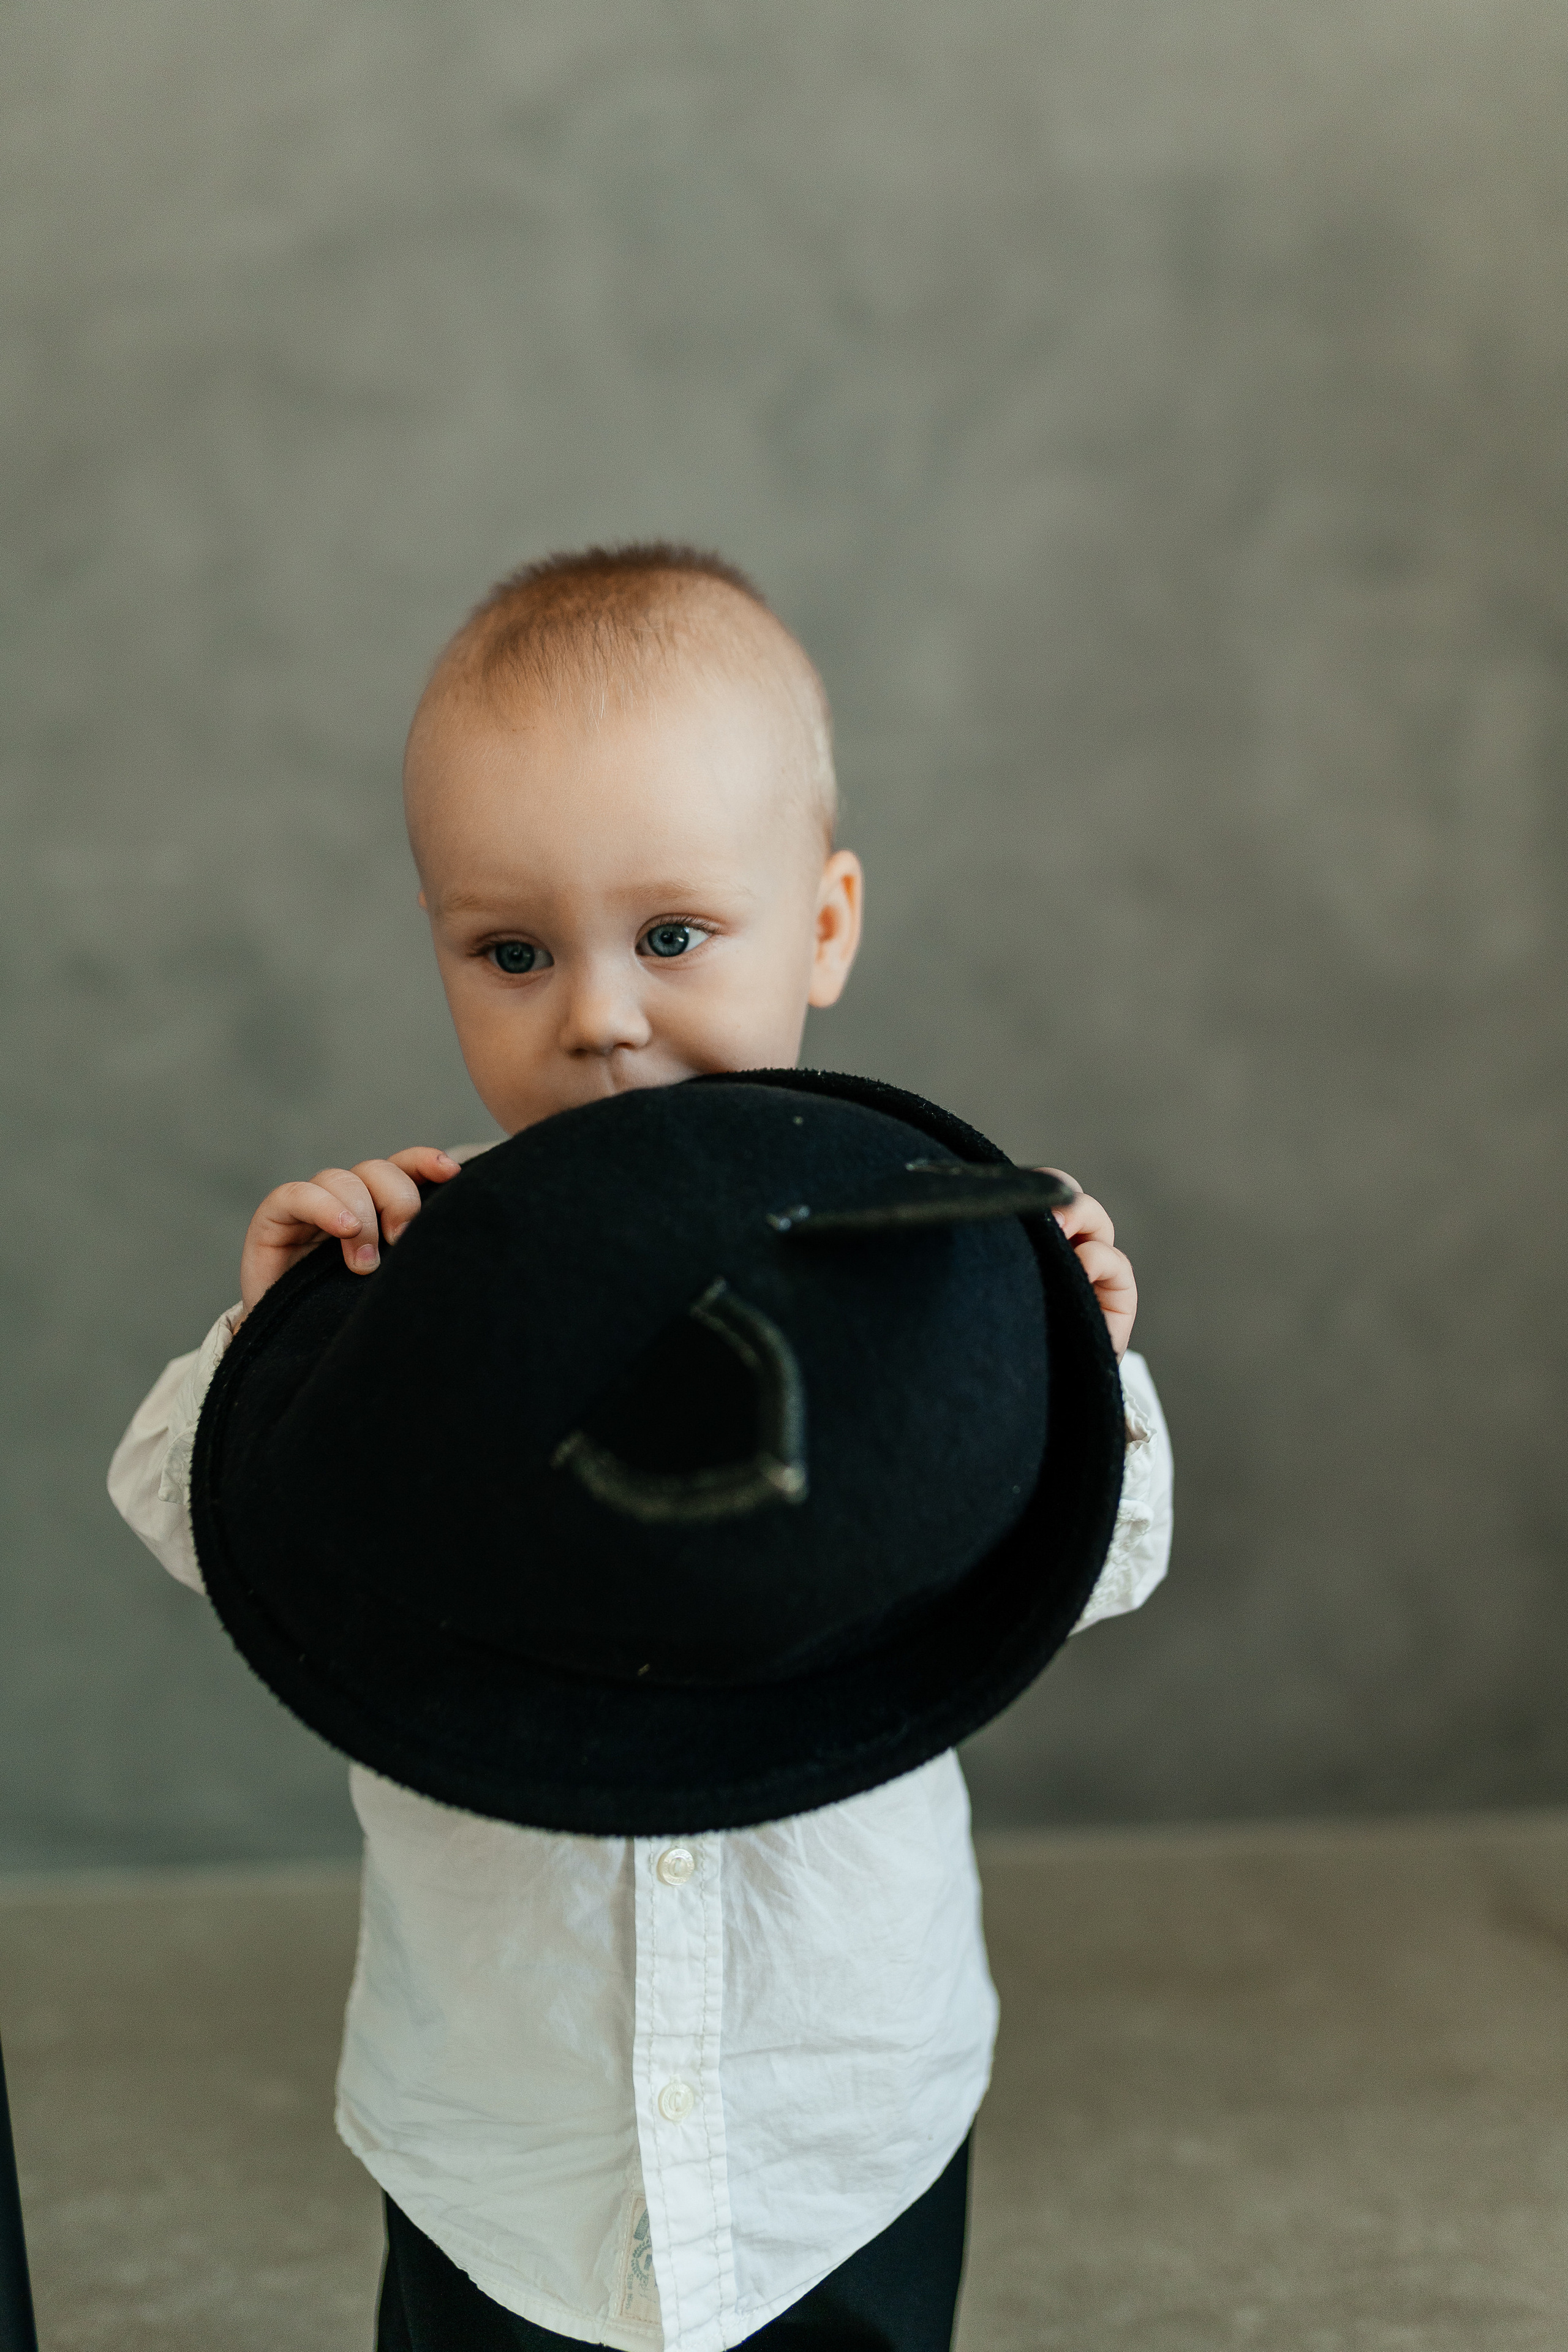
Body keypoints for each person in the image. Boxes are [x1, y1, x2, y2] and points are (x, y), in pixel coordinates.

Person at [109, 545, 1174, 2352]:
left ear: (826, 925)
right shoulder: (428, 1295)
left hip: (837, 2113)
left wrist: (1072, 1365)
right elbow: (196, 1527)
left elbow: (1107, 1557)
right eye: (513, 951)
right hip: (507, 2139)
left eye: (673, 935)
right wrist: (280, 1349)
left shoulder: (925, 1283)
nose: (598, 1013)